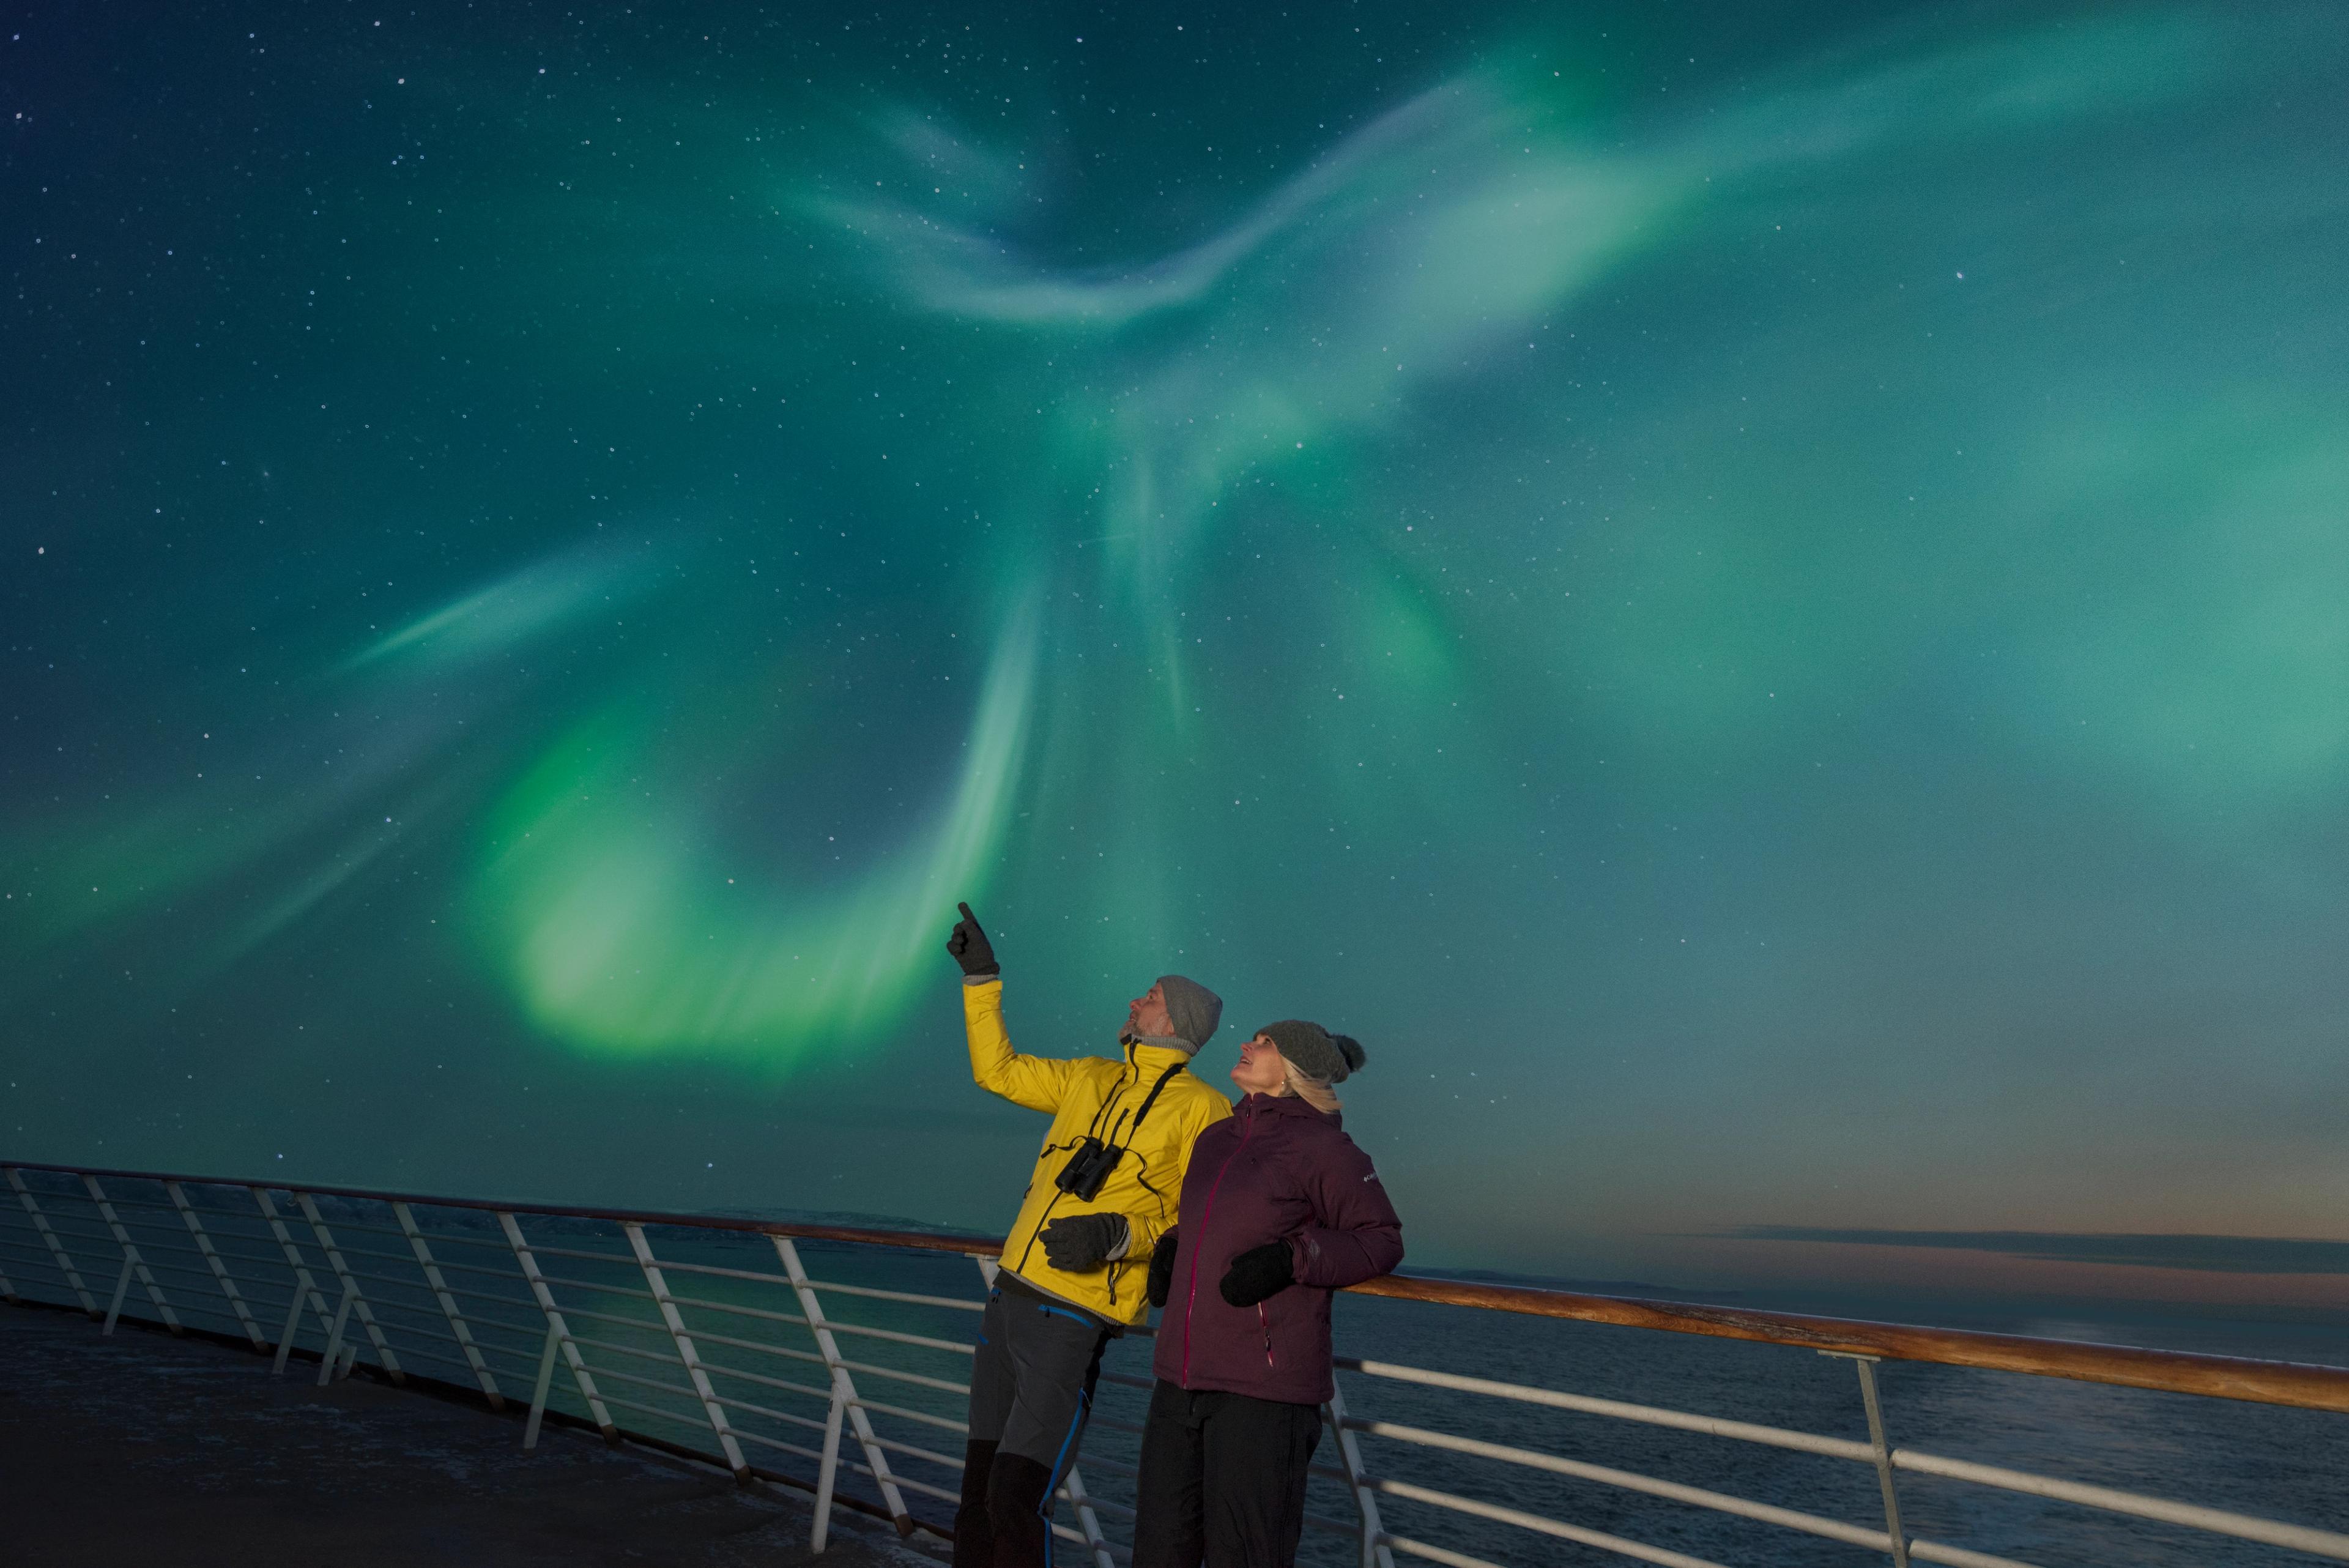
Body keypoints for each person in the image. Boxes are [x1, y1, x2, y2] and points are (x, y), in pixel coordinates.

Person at [946, 901, 1234, 1567]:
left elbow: (1204, 1218)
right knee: (976, 1495)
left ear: (1177, 1023)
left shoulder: (1205, 1110)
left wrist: (1118, 1234)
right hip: (1010, 1297)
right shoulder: (1090, 1076)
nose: (1135, 999)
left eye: (1152, 996)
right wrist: (981, 978)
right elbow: (999, 1071)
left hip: (1070, 1316)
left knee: (1017, 1498)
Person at [1132, 1020, 1401, 1568]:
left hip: (1263, 1391)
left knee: (1247, 1557)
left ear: (1294, 1071)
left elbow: (1381, 1239)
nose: (1245, 1046)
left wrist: (1293, 1257)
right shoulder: (1218, 1138)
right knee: (1159, 1552)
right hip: (1180, 1378)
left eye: (1264, 1043)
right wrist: (1172, 1245)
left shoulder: (1325, 1147)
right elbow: (1215, 1223)